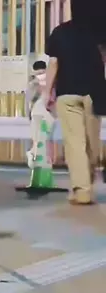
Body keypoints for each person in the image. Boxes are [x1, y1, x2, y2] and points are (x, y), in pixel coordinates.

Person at [43, 20, 104, 205]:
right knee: (91, 143)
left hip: (68, 93)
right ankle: (84, 187)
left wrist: (47, 92)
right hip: (94, 93)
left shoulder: (60, 32)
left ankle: (82, 188)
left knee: (76, 143)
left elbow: (53, 63)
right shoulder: (99, 29)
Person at [25, 59, 55, 168]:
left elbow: (30, 99)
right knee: (45, 137)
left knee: (37, 137)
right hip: (47, 112)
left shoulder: (33, 81)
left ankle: (34, 155)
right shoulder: (50, 79)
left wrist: (29, 113)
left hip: (36, 111)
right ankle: (41, 159)